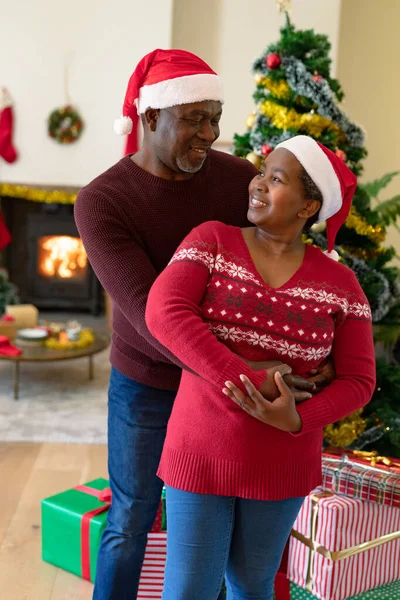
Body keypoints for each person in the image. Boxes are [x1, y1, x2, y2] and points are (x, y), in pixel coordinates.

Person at [74, 49, 332, 600]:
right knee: (131, 518)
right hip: (151, 382)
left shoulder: (239, 179)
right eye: (195, 119)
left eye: (215, 118)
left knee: (215, 522)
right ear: (150, 118)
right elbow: (149, 315)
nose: (210, 133)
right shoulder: (101, 202)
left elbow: (280, 256)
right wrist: (243, 369)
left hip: (232, 391)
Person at [145, 135, 376, 600]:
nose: (258, 184)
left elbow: (358, 380)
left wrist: (296, 418)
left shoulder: (342, 284)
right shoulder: (211, 240)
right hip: (201, 449)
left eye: (277, 179)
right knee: (188, 588)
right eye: (261, 173)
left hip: (282, 461)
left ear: (309, 205)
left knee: (252, 585)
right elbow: (164, 314)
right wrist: (253, 378)